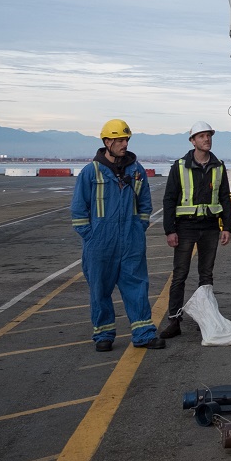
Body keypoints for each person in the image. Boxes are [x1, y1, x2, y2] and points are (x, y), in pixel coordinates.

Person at [70, 119, 164, 351]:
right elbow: (78, 209)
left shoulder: (136, 170)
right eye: (120, 140)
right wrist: (90, 236)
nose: (125, 144)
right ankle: (103, 335)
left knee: (137, 286)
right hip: (100, 243)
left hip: (131, 240)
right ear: (107, 142)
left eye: (126, 140)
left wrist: (139, 227)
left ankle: (143, 333)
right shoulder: (90, 172)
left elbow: (145, 204)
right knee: (99, 288)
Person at [159, 121, 231, 339]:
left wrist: (226, 226)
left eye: (208, 136)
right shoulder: (179, 166)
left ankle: (207, 319)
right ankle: (174, 320)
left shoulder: (219, 167)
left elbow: (224, 199)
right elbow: (169, 199)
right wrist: (169, 230)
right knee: (180, 274)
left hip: (210, 227)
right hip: (186, 227)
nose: (206, 139)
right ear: (192, 141)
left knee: (206, 276)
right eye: (201, 136)